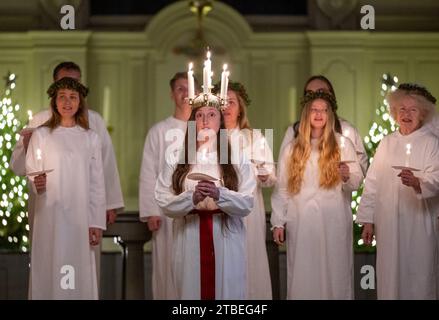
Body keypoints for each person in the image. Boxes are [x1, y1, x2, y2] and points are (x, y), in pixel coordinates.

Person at [154, 98, 256, 299]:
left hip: (226, 236)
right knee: (190, 291)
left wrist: (221, 195)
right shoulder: (175, 157)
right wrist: (190, 198)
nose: (205, 120)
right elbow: (162, 199)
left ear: (221, 122)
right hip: (189, 236)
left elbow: (247, 202)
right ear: (193, 121)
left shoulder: (236, 156)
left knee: (226, 291)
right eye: (199, 115)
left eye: (212, 115)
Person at [271, 91, 363, 299]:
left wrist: (347, 176)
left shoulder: (343, 145)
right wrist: (278, 221)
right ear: (306, 114)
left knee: (335, 272)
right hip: (301, 221)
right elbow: (283, 189)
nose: (319, 114)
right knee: (304, 273)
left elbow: (356, 181)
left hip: (333, 221)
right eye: (314, 110)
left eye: (324, 110)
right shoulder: (291, 149)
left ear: (330, 115)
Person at [10, 61, 124, 229]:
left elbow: (106, 163)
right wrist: (28, 149)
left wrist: (110, 203)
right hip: (46, 204)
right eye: (64, 83)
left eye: (76, 83)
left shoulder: (95, 122)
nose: (70, 87)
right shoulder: (39, 121)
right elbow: (18, 166)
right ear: (54, 87)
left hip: (83, 204)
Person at [356, 83, 439, 299]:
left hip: (418, 223)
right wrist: (367, 220)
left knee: (418, 275)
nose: (406, 114)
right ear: (394, 113)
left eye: (413, 109)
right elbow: (372, 182)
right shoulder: (386, 143)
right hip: (388, 223)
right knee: (389, 276)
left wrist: (418, 182)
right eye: (402, 109)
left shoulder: (431, 143)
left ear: (422, 114)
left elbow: (437, 177)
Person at [26, 77, 106, 299]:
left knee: (76, 269)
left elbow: (97, 183)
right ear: (54, 102)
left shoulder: (90, 138)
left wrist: (96, 222)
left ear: (80, 102)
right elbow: (33, 170)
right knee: (50, 265)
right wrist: (36, 183)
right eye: (62, 97)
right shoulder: (41, 135)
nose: (67, 102)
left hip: (79, 219)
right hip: (51, 216)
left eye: (72, 97)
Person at [139, 72, 198, 299]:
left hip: (197, 209)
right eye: (180, 89)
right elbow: (148, 173)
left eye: (189, 88)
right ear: (172, 94)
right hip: (165, 211)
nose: (185, 93)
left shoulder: (205, 128)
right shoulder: (159, 131)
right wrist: (152, 211)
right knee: (166, 265)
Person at [213, 81, 275, 299]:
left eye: (232, 102)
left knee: (249, 257)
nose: (226, 107)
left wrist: (264, 173)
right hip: (218, 208)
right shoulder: (209, 139)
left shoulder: (254, 137)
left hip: (248, 209)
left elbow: (269, 175)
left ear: (240, 108)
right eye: (222, 102)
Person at [279, 75, 368, 175]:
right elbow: (283, 172)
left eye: (321, 92)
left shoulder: (347, 131)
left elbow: (360, 170)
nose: (316, 98)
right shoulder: (293, 131)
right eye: (310, 94)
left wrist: (345, 175)